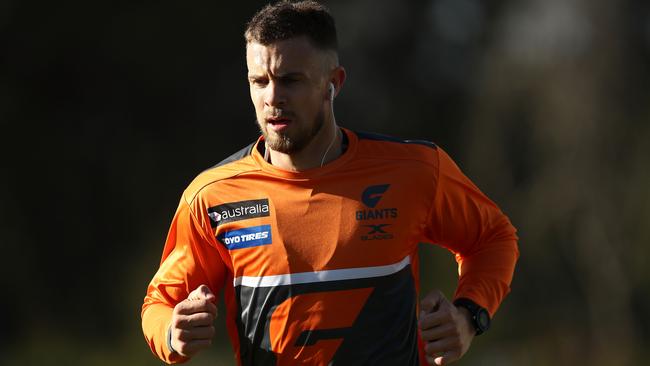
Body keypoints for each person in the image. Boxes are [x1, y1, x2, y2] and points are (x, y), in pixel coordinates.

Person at [141, 1, 519, 365]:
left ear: (333, 83)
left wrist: (469, 316)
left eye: (291, 80)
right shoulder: (212, 195)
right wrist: (173, 334)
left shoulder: (414, 170)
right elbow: (159, 302)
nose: (273, 98)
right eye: (259, 81)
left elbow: (493, 238)